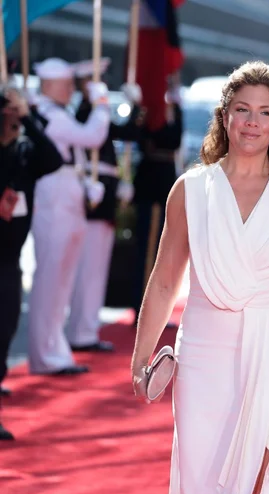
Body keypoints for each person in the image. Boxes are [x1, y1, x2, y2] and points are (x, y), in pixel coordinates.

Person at [130, 61, 269, 494]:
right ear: (224, 116)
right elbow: (166, 279)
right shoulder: (191, 188)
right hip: (204, 347)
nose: (252, 122)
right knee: (200, 473)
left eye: (265, 112)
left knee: (258, 476)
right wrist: (140, 356)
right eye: (243, 109)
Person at [26, 58, 109, 375]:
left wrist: (85, 184)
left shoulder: (56, 112)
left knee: (62, 281)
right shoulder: (48, 114)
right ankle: (44, 355)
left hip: (66, 195)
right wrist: (102, 104)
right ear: (49, 86)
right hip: (53, 201)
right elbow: (91, 137)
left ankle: (54, 351)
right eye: (67, 84)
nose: (71, 90)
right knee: (51, 278)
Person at [66, 58, 143, 352]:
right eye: (94, 80)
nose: (100, 84)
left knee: (95, 268)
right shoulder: (86, 111)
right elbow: (95, 136)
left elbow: (126, 134)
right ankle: (81, 331)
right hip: (93, 195)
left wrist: (135, 107)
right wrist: (99, 101)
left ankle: (85, 328)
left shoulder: (95, 112)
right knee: (88, 267)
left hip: (105, 192)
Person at [0, 88, 64, 440]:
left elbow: (53, 158)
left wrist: (26, 116)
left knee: (4, 332)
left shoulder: (25, 152)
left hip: (8, 262)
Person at [130, 83, 183, 324]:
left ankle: (155, 308)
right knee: (150, 250)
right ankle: (144, 307)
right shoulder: (151, 114)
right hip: (153, 187)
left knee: (163, 253)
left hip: (161, 187)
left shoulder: (167, 112)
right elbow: (166, 139)